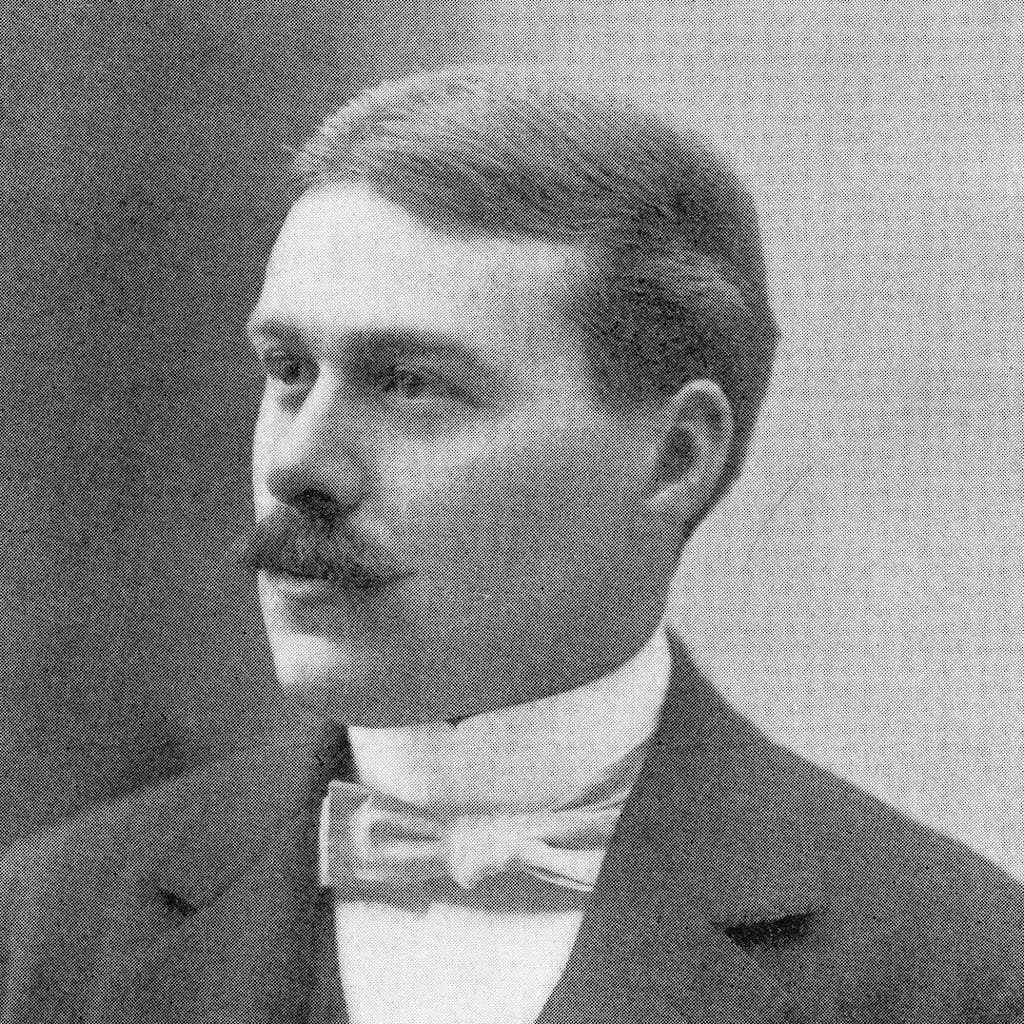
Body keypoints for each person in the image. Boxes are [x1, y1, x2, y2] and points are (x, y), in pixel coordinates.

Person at [2, 64, 1022, 1024]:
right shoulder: (44, 930)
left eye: (412, 384)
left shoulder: (955, 972)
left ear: (674, 457)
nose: (300, 463)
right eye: (289, 370)